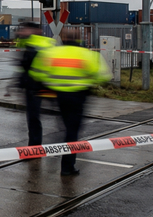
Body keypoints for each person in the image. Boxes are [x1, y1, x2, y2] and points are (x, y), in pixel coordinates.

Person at [30, 39, 110, 176]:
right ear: (80, 42)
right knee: (72, 131)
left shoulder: (52, 53)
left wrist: (49, 84)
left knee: (66, 127)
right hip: (78, 97)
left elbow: (36, 73)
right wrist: (90, 82)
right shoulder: (87, 54)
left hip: (58, 96)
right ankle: (67, 166)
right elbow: (104, 76)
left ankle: (63, 156)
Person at [13, 22, 54, 147]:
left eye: (25, 29)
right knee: (57, 117)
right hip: (48, 85)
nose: (22, 32)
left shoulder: (33, 44)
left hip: (35, 86)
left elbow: (26, 66)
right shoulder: (47, 42)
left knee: (33, 118)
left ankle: (35, 146)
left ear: (36, 31)